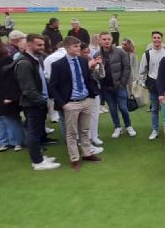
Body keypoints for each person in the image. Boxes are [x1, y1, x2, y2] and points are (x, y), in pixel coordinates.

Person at [49, 36, 102, 171]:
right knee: (71, 133)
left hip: (86, 100)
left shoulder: (83, 61)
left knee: (85, 130)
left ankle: (86, 153)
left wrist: (92, 94)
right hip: (71, 103)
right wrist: (63, 104)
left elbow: (88, 79)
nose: (78, 48)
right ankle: (74, 158)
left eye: (78, 46)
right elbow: (53, 86)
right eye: (75, 46)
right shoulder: (58, 64)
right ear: (66, 47)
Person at [15, 34, 61, 171]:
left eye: (42, 45)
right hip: (33, 104)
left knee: (37, 131)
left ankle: (39, 156)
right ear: (29, 45)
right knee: (33, 133)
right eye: (39, 45)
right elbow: (28, 89)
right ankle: (37, 162)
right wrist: (41, 102)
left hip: (38, 102)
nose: (42, 47)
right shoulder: (24, 63)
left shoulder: (34, 59)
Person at [98, 32, 134, 138]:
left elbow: (127, 68)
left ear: (112, 40)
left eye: (108, 39)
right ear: (100, 41)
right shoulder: (97, 55)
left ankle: (128, 126)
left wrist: (122, 83)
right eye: (104, 39)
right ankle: (117, 127)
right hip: (106, 88)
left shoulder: (120, 52)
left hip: (119, 86)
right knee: (113, 109)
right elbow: (96, 73)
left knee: (123, 108)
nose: (106, 41)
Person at [139, 31, 165, 141]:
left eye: (158, 38)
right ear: (152, 39)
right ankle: (155, 130)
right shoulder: (147, 54)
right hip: (153, 84)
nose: (156, 39)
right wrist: (142, 83)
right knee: (154, 109)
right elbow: (142, 70)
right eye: (154, 38)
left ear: (162, 39)